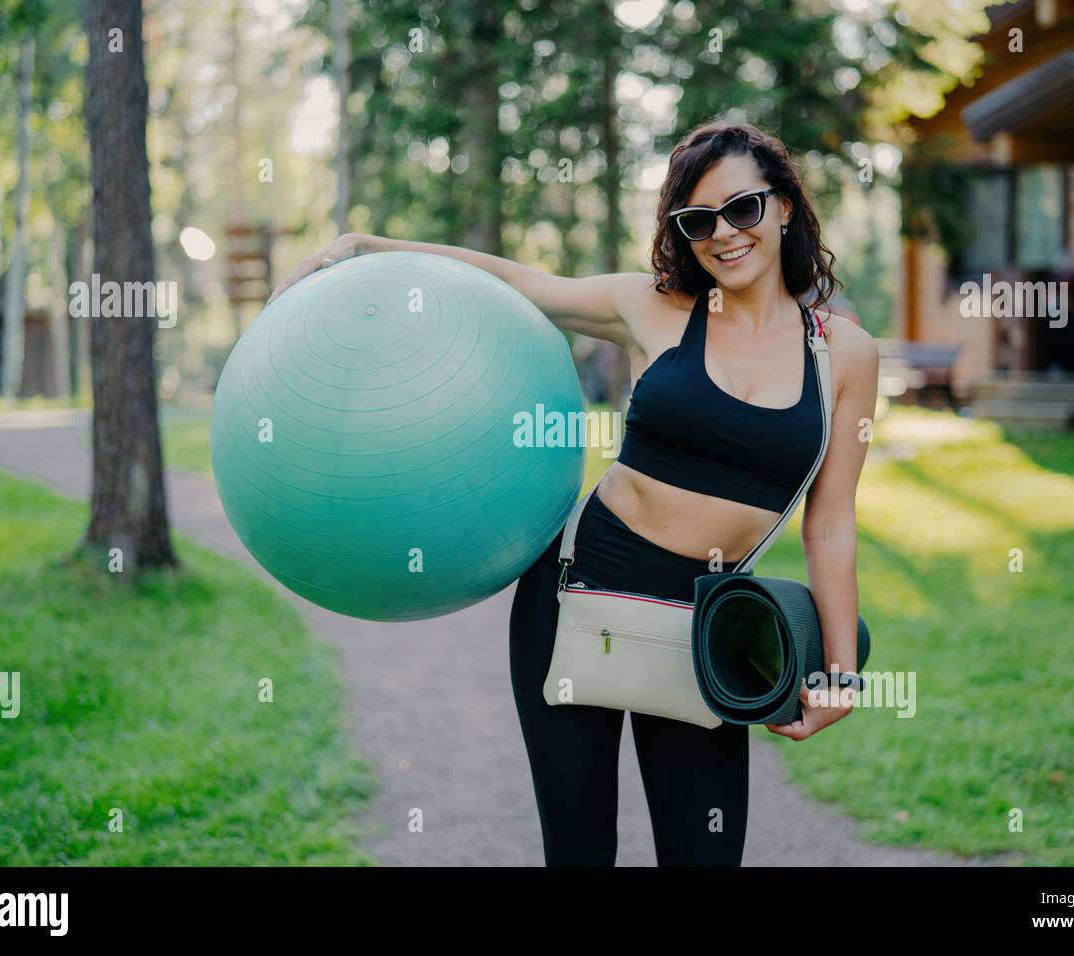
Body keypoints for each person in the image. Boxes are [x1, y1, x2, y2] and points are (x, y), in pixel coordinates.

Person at [270, 119, 880, 866]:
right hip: (570, 599)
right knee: (579, 853)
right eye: (697, 221)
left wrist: (841, 674)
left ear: (785, 206)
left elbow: (831, 526)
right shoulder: (652, 308)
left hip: (707, 631)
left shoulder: (844, 354)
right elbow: (517, 285)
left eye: (743, 209)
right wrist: (375, 250)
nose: (724, 234)